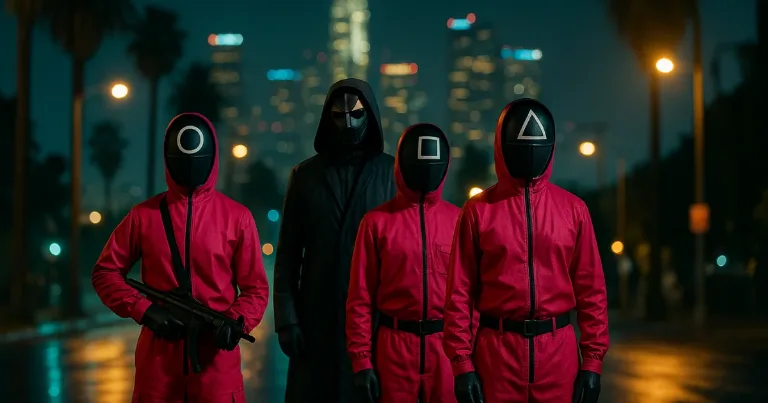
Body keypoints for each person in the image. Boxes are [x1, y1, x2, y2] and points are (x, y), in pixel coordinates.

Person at [92, 112, 270, 403]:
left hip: (217, 373)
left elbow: (256, 288)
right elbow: (105, 273)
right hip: (157, 374)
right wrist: (144, 310)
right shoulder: (142, 216)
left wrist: (235, 322)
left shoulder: (238, 218)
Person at [443, 99, 609, 403]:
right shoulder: (477, 211)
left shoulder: (574, 210)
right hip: (496, 357)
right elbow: (459, 294)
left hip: (559, 357)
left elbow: (591, 291)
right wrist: (462, 365)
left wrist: (593, 362)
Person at [273, 78, 397, 402]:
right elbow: (287, 256)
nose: (349, 122)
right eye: (339, 115)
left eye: (356, 114)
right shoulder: (305, 176)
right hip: (315, 319)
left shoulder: (392, 174)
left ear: (370, 115)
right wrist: (287, 321)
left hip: (374, 322)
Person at [346, 123, 460, 403]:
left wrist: (469, 358)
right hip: (393, 348)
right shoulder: (376, 223)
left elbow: (472, 298)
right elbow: (360, 298)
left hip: (447, 349)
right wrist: (362, 361)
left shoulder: (460, 220)